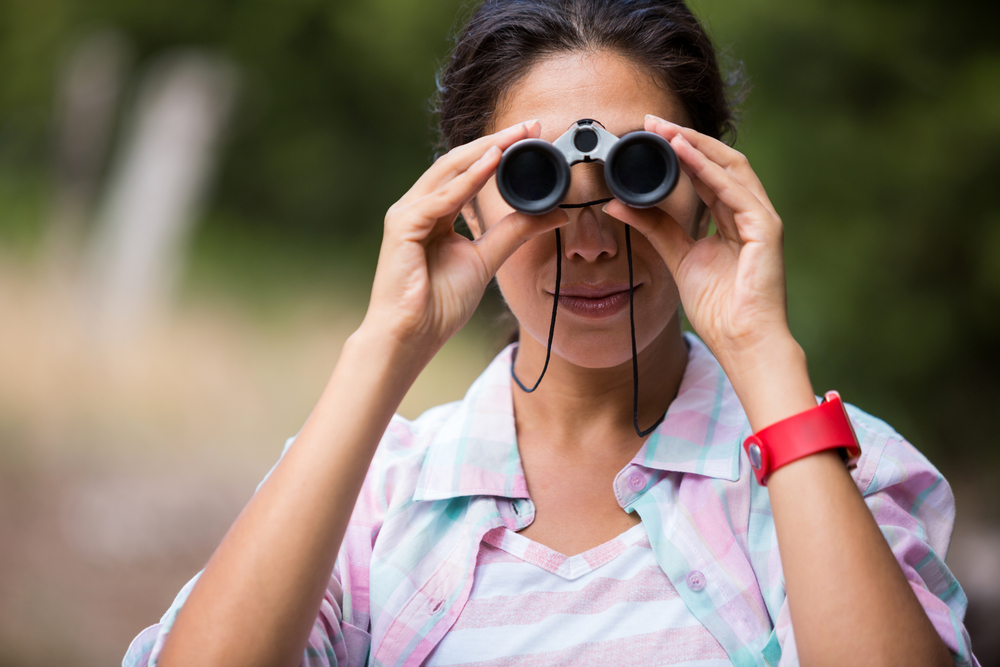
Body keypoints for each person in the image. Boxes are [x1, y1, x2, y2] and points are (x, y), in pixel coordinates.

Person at [124, 1, 978, 665]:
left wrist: (761, 350)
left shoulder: (828, 474)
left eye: (636, 179)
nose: (595, 239)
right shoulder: (379, 497)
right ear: (467, 199)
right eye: (537, 184)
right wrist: (384, 346)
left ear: (708, 186)